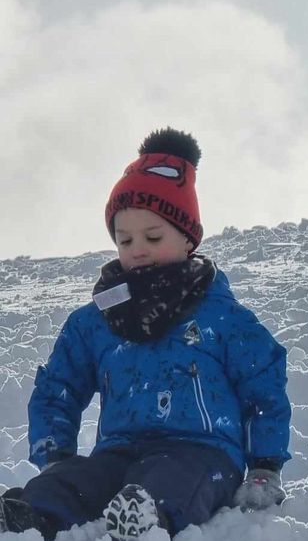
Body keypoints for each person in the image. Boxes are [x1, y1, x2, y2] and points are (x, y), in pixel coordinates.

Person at [0, 128, 292, 538]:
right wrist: (55, 455)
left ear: (188, 237)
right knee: (75, 480)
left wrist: (264, 465)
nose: (138, 248)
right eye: (125, 239)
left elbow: (263, 383)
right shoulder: (98, 320)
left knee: (174, 480)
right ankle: (31, 517)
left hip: (203, 453)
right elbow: (58, 385)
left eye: (153, 237)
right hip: (119, 453)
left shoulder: (220, 316)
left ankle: (148, 520)